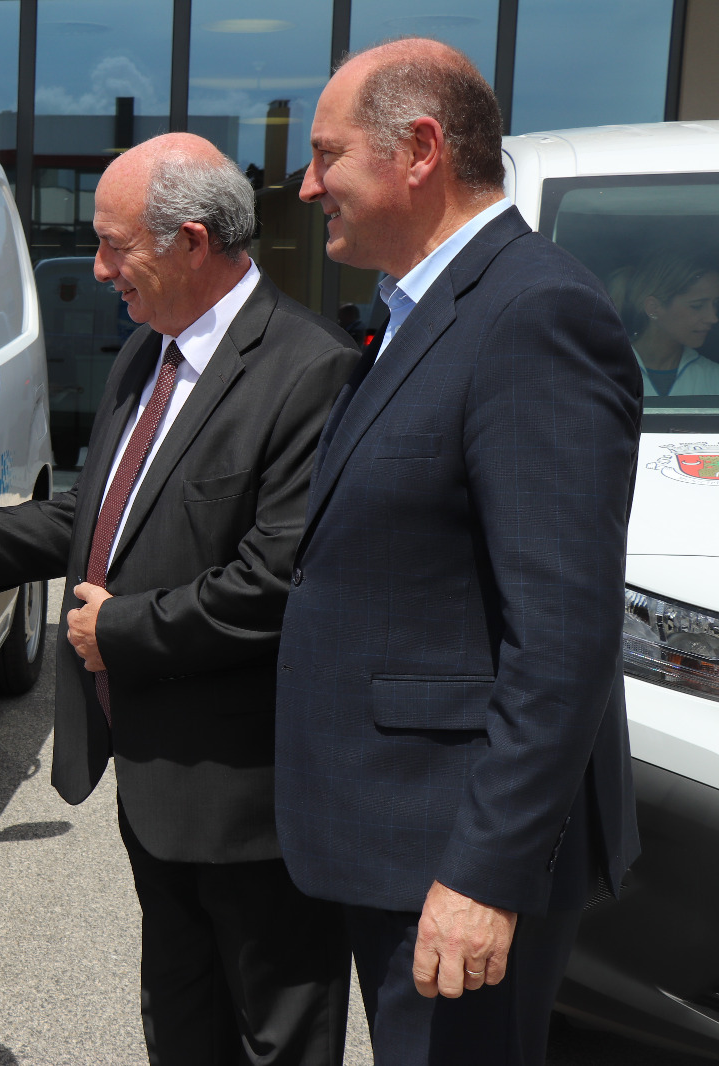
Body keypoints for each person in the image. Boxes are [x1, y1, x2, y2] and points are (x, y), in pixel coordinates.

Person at [0, 133, 357, 1065]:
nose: (99, 270)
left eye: (114, 246)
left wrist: (122, 629)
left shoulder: (312, 370)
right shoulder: (148, 353)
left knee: (276, 1040)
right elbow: (110, 510)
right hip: (159, 784)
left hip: (254, 801)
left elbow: (279, 581)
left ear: (192, 242)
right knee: (180, 1028)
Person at [281, 38, 641, 1065]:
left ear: (420, 150)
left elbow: (562, 638)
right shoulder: (423, 310)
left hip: (455, 858)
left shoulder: (533, 314)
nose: (306, 186)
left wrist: (485, 874)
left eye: (327, 155)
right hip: (399, 842)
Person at [609, 251, 719, 395]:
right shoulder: (602, 372)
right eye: (697, 306)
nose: (713, 318)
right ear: (653, 308)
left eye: (715, 304)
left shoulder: (713, 378)